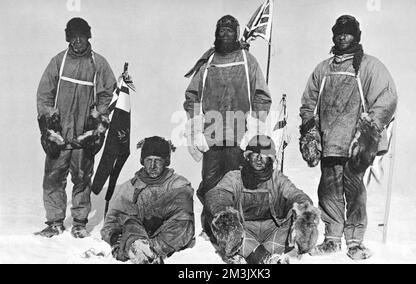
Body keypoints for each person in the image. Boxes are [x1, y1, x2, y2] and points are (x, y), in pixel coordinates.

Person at [299, 15, 398, 260]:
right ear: (334, 36)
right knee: (328, 192)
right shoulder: (323, 69)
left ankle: (355, 242)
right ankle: (332, 239)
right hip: (329, 142)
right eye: (339, 32)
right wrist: (310, 129)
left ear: (356, 35)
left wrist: (369, 127)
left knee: (354, 193)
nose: (343, 37)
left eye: (348, 32)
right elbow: (308, 104)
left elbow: (388, 96)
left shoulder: (369, 66)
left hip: (356, 145)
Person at [183, 15, 272, 239]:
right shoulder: (209, 62)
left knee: (237, 181)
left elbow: (261, 96)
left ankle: (237, 227)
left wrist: (254, 129)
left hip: (238, 135)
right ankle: (211, 227)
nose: (225, 34)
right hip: (212, 134)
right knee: (211, 182)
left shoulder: (247, 60)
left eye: (229, 30)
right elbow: (192, 96)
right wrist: (195, 128)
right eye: (221, 30)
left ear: (237, 33)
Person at [35, 17, 116, 238]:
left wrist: (97, 120)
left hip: (83, 134)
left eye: (82, 36)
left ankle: (79, 222)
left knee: (81, 178)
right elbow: (44, 94)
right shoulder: (58, 62)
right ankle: (54, 222)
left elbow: (108, 92)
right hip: (59, 134)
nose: (78, 41)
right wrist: (49, 124)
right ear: (68, 37)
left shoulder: (98, 64)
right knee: (53, 177)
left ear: (88, 36)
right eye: (73, 36)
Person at [204, 135, 320, 264]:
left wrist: (304, 212)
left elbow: (295, 194)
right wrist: (223, 213)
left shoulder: (277, 179)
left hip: (273, 232)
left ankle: (254, 255)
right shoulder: (234, 177)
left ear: (270, 159)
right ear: (247, 156)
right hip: (243, 231)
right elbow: (217, 194)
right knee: (219, 216)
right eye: (255, 154)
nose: (259, 158)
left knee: (298, 214)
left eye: (265, 155)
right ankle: (263, 257)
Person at [101, 136, 195, 264]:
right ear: (142, 161)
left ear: (166, 161)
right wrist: (113, 237)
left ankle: (147, 251)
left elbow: (183, 218)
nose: (152, 165)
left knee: (183, 217)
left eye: (158, 160)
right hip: (138, 233)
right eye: (148, 160)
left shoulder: (178, 183)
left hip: (167, 235)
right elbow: (112, 220)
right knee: (129, 221)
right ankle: (141, 250)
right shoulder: (130, 187)